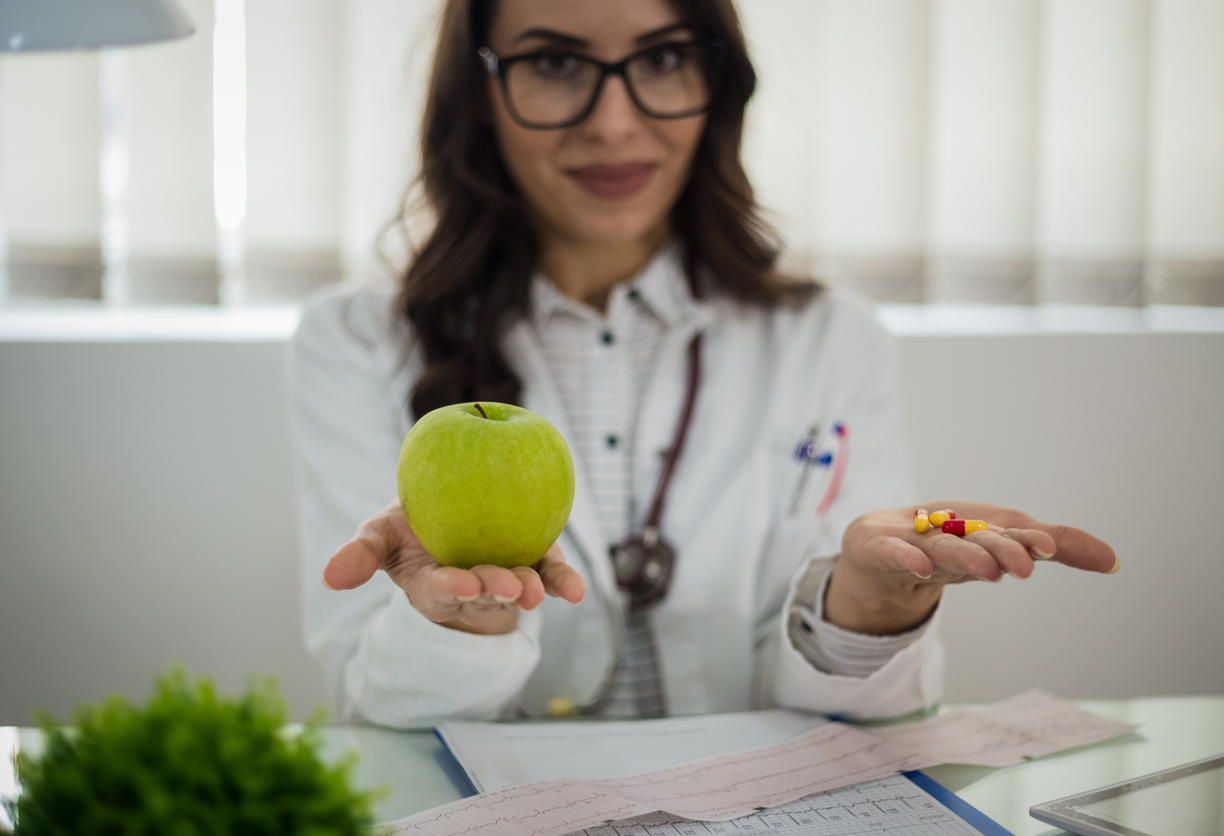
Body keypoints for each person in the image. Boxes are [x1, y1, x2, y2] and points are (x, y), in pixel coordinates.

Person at [291, 0, 1119, 728]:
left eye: (661, 58)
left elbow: (869, 720)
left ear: (715, 85)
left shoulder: (831, 338)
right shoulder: (357, 340)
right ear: (479, 91)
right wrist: (459, 626)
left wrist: (869, 605)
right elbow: (371, 709)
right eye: (552, 62)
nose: (614, 122)